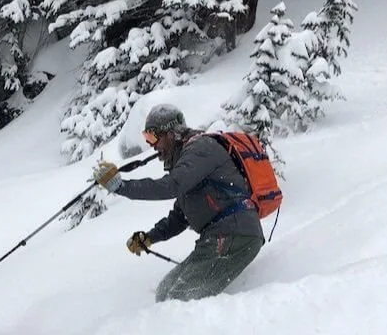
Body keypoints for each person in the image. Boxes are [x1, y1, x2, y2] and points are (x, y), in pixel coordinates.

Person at [93, 104, 264, 302]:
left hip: (234, 233)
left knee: (179, 299)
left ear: (171, 134)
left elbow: (170, 186)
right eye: (147, 138)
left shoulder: (200, 149)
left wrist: (121, 187)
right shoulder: (187, 162)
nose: (151, 145)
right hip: (217, 237)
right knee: (165, 291)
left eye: (153, 137)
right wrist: (149, 237)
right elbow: (180, 217)